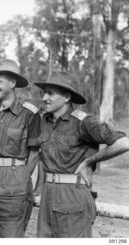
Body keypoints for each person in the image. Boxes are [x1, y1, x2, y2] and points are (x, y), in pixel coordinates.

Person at [34, 71, 129, 237]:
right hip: (48, 194)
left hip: (72, 194)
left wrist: (88, 162)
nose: (44, 98)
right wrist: (38, 190)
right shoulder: (45, 121)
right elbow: (44, 158)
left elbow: (123, 143)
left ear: (66, 97)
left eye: (50, 93)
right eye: (44, 93)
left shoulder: (84, 121)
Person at [0, 59, 41, 237]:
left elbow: (34, 153)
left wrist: (20, 179)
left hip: (14, 179)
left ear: (12, 84)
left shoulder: (29, 113)